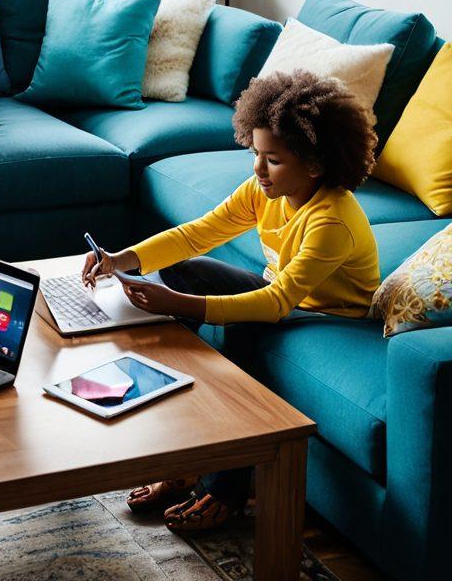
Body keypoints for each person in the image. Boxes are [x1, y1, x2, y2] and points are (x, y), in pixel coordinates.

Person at [82, 69, 380, 532]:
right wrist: (124, 259)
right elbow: (199, 234)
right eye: (256, 154)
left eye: (273, 160)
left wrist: (179, 305)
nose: (258, 170)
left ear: (316, 165)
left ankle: (228, 490)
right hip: (283, 295)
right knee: (181, 271)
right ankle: (186, 452)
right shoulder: (267, 190)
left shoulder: (332, 221)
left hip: (325, 314)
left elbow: (278, 302)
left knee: (241, 325)